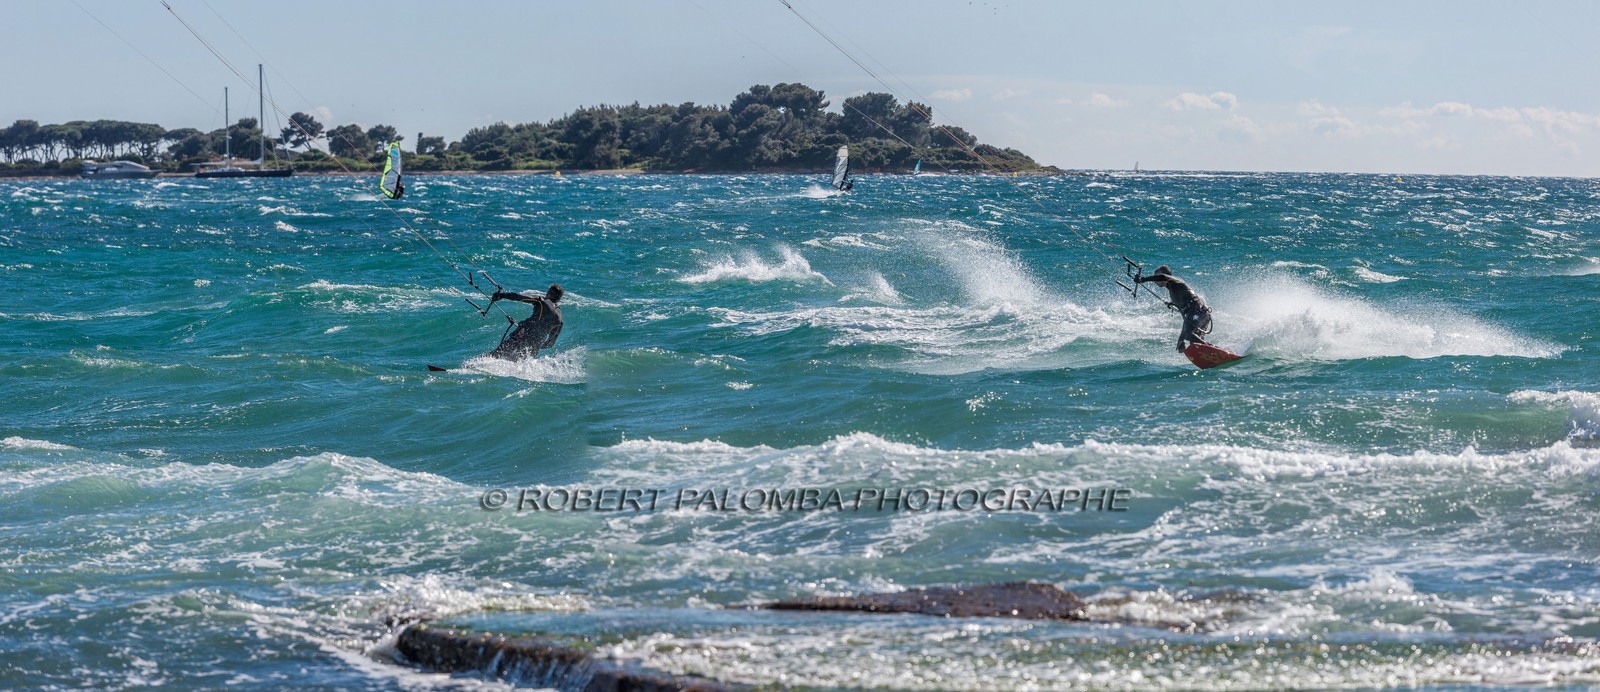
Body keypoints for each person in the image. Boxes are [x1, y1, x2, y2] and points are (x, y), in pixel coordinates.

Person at [1134, 265, 1212, 352]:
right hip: (1198, 314)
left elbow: (1163, 277)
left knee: (1188, 335)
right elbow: (1185, 312)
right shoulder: (1172, 287)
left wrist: (1143, 279)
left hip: (1199, 312)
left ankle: (1212, 349)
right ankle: (1210, 356)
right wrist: (1181, 339)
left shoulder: (1176, 280)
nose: (1155, 280)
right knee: (1193, 344)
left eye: (1157, 277)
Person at [488, 283, 563, 359]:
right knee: (518, 361)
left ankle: (479, 363)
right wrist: (538, 344)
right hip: (536, 343)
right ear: (559, 298)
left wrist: (502, 295)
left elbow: (520, 297)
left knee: (499, 352)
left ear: (549, 294)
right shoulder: (560, 319)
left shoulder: (542, 301)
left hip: (525, 333)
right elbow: (549, 344)